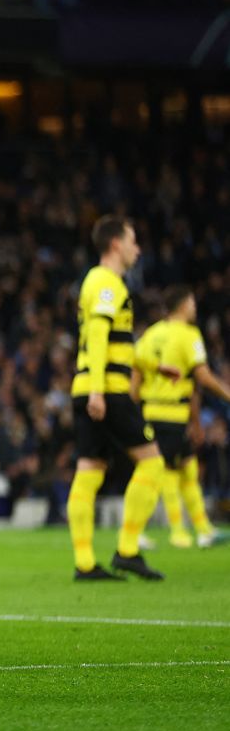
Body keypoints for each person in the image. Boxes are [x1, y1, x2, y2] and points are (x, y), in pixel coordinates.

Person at [67, 215, 168, 582]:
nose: (137, 248)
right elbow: (97, 334)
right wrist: (98, 390)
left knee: (90, 470)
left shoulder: (97, 281)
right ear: (115, 244)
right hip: (106, 390)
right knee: (153, 463)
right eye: (133, 240)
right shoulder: (106, 282)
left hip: (89, 387)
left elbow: (115, 343)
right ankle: (127, 550)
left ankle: (85, 562)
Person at [133, 285, 230, 548]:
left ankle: (203, 528)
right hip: (173, 413)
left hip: (152, 411)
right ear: (183, 305)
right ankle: (170, 531)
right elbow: (203, 377)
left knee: (186, 468)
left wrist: (132, 411)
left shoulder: (150, 335)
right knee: (164, 473)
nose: (195, 308)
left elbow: (136, 374)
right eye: (192, 303)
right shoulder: (188, 335)